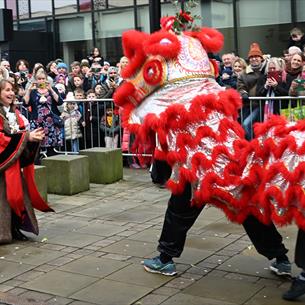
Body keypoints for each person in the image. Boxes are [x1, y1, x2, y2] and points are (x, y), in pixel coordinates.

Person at [0, 79, 54, 243]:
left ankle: (15, 228)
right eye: (7, 90)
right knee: (3, 198)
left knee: (18, 196)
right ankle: (4, 231)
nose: (11, 93)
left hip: (13, 165)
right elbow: (2, 139)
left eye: (12, 90)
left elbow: (19, 135)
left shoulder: (14, 113)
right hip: (3, 167)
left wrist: (32, 138)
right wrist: (26, 137)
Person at [23, 70, 63, 157]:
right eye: (39, 79)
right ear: (36, 80)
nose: (41, 81)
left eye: (43, 79)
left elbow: (60, 101)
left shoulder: (53, 89)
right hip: (37, 121)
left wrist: (51, 90)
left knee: (51, 148)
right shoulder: (33, 92)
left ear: (46, 79)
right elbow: (25, 103)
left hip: (51, 121)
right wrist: (29, 90)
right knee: (36, 147)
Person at [237, 42, 266, 140]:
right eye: (251, 57)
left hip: (263, 105)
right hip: (249, 105)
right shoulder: (243, 74)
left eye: (256, 56)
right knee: (245, 125)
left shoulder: (266, 70)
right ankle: (252, 145)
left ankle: (255, 145)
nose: (254, 58)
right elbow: (240, 87)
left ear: (261, 58)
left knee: (248, 124)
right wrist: (244, 94)